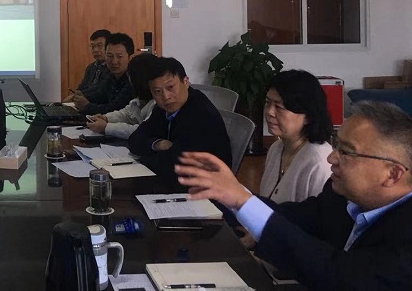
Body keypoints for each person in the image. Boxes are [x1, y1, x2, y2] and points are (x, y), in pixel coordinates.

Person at [175, 101, 412, 291]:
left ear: (393, 174)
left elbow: (337, 274)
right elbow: (291, 216)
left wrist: (241, 200)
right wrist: (231, 193)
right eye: (336, 146)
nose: (331, 158)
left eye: (346, 152)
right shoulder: (342, 196)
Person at [128, 56, 231, 189]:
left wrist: (145, 156)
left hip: (206, 189)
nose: (166, 96)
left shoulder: (201, 114)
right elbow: (135, 139)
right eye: (157, 91)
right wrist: (158, 144)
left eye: (170, 87)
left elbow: (174, 165)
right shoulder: (163, 109)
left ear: (185, 82)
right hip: (175, 182)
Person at [260, 69, 333, 203]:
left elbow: (320, 215)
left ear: (308, 116)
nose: (270, 112)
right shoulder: (276, 148)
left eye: (279, 107)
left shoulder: (319, 162)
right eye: (267, 103)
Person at [85, 52, 157, 139]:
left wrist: (106, 127)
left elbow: (142, 131)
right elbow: (128, 114)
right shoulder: (140, 97)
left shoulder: (158, 103)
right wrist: (106, 118)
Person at [73, 32, 135, 115]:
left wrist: (87, 106)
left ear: (130, 58)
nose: (114, 61)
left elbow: (115, 108)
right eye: (109, 56)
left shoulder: (133, 79)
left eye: (119, 56)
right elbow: (100, 95)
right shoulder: (110, 75)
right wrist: (81, 97)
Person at [72, 29, 111, 96]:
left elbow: (101, 88)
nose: (95, 50)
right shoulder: (91, 67)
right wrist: (75, 94)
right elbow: (82, 86)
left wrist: (81, 94)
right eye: (93, 46)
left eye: (99, 46)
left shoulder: (113, 67)